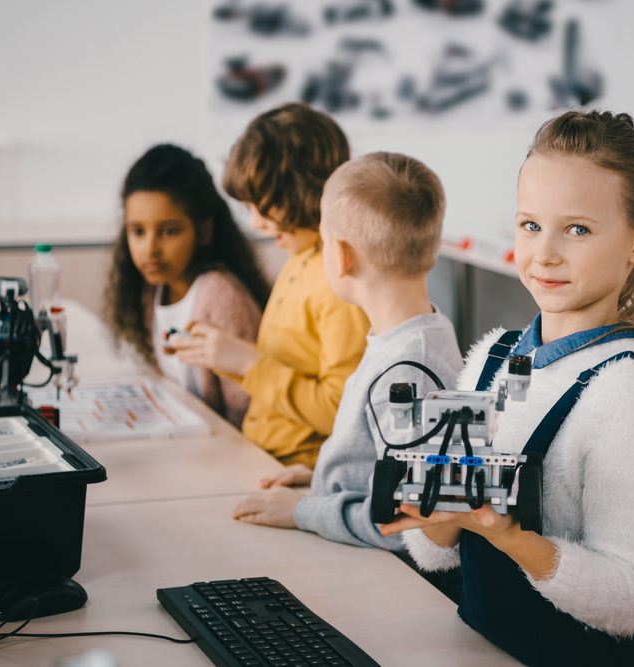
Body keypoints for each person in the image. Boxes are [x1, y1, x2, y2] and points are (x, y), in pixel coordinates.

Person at [381, 110, 634, 667]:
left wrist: (512, 537)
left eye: (577, 230)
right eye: (529, 225)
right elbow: (436, 556)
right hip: (486, 646)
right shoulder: (490, 359)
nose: (544, 253)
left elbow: (629, 601)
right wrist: (433, 511)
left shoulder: (630, 394)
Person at [230, 152, 464, 549]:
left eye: (322, 242)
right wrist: (324, 477)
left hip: (388, 575)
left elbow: (406, 524)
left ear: (340, 256)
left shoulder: (409, 368)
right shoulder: (405, 338)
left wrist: (305, 510)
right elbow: (387, 464)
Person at [171, 103, 370, 468]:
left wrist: (248, 362)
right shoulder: (300, 260)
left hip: (299, 469)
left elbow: (341, 413)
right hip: (261, 454)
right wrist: (224, 355)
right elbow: (287, 365)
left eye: (264, 207)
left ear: (304, 191)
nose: (256, 223)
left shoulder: (338, 282)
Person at [104, 144, 270, 429]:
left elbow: (247, 413)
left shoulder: (220, 296)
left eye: (169, 231)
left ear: (204, 230)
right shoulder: (152, 290)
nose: (150, 249)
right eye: (138, 231)